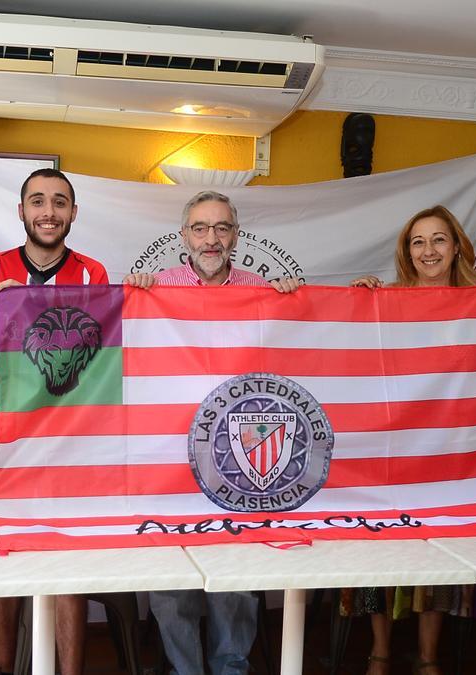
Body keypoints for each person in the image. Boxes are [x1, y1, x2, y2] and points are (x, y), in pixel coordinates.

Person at [349, 204, 476, 675]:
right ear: (406, 251)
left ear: (455, 245)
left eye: (438, 239)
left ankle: (429, 657)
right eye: (418, 242)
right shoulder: (386, 299)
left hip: (452, 453)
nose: (428, 250)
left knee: (439, 551)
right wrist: (357, 302)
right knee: (384, 549)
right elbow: (352, 362)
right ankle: (379, 652)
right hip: (390, 450)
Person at [124, 190, 299, 675]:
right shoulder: (155, 288)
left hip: (235, 456)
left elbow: (282, 362)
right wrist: (134, 293)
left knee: (235, 578)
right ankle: (185, 670)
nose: (211, 238)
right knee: (170, 576)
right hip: (170, 456)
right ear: (184, 236)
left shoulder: (259, 289)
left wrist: (291, 304)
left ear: (236, 237)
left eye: (222, 228)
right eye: (200, 228)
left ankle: (231, 668)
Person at [0, 168, 108, 675]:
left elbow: (103, 366)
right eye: (38, 201)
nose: (49, 212)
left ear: (73, 213)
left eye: (60, 202)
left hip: (72, 448)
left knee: (67, 567)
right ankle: (7, 668)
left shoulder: (93, 273)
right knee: (3, 559)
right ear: (20, 210)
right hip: (1, 444)